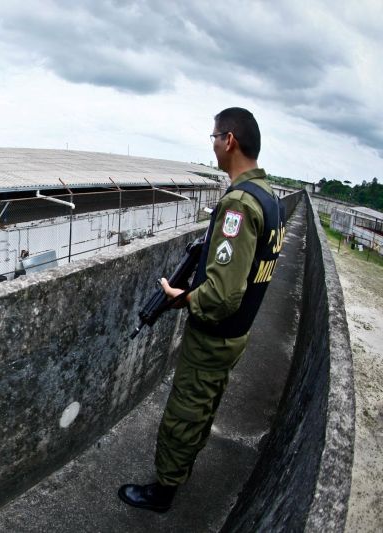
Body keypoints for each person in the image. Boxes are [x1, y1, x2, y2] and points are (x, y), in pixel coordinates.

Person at [118, 107, 286, 512]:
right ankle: (181, 470)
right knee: (203, 405)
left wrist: (182, 298)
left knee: (185, 411)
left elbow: (222, 294)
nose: (212, 145)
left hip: (214, 334)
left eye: (213, 137)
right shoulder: (270, 199)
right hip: (236, 333)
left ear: (229, 140)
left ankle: (163, 491)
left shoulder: (240, 205)